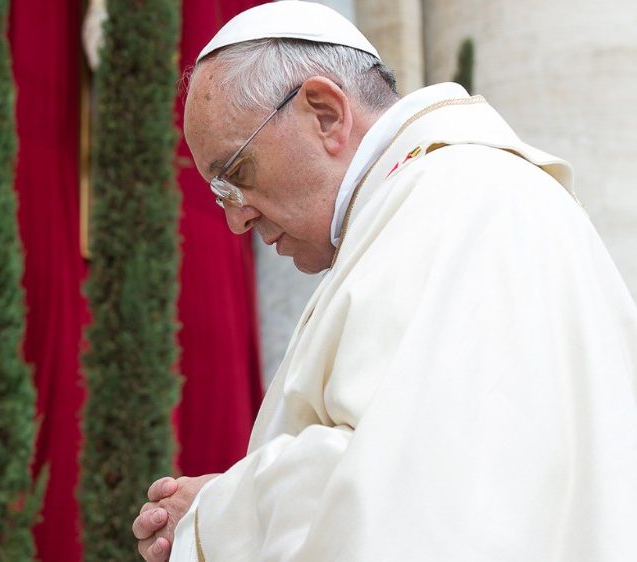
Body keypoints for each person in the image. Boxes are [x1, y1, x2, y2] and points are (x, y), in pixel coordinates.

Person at [132, 2, 637, 560]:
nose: (236, 220)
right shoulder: (442, 202)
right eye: (220, 195)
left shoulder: (457, 205)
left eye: (237, 175)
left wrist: (215, 517)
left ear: (325, 113)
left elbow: (414, 496)